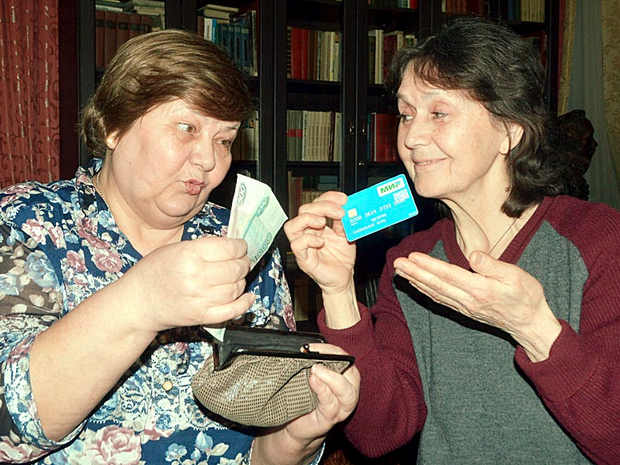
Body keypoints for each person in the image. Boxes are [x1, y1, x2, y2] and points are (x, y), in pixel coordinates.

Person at [0, 29, 359, 464]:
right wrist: (141, 300)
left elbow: (257, 451)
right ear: (114, 125)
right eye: (187, 128)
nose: (209, 160)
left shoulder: (243, 242)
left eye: (224, 140)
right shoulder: (25, 223)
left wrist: (296, 439)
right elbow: (7, 430)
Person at [285, 17, 620, 465]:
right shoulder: (410, 260)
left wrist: (535, 328)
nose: (411, 137)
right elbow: (380, 432)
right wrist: (338, 290)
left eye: (438, 113)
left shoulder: (598, 240)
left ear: (509, 131)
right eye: (406, 114)